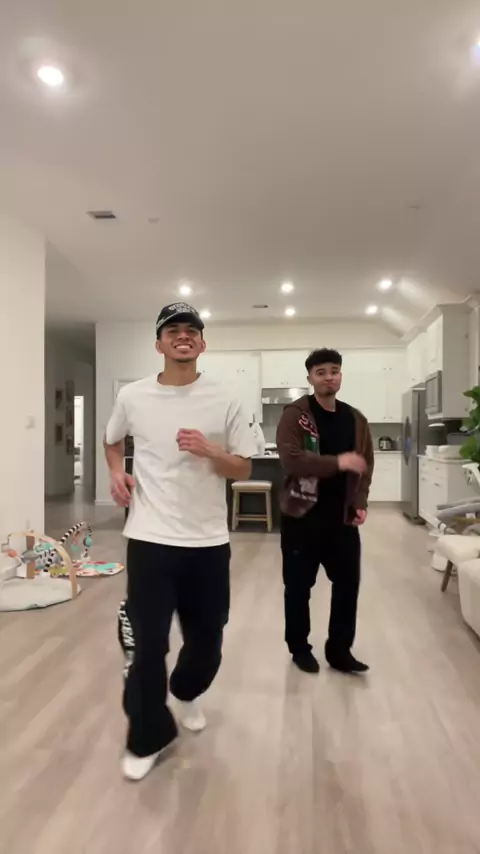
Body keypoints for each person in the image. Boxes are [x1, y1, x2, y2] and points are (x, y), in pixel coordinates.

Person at [105, 302, 256, 781]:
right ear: (159, 343)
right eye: (173, 331)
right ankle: (146, 735)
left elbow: (243, 467)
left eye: (192, 330)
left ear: (202, 343)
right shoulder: (132, 396)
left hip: (207, 542)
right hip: (149, 538)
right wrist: (117, 472)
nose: (183, 336)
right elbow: (112, 439)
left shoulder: (226, 398)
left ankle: (187, 691)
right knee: (148, 647)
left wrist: (211, 450)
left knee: (207, 640)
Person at [276, 348, 374, 675]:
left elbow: (366, 463)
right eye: (321, 372)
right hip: (302, 517)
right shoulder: (296, 415)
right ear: (310, 378)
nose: (329, 377)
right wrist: (338, 462)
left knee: (348, 585)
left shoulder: (356, 419)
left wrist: (360, 501)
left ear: (341, 375)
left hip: (342, 518)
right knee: (298, 587)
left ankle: (339, 650)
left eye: (334, 370)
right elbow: (291, 459)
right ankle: (299, 648)